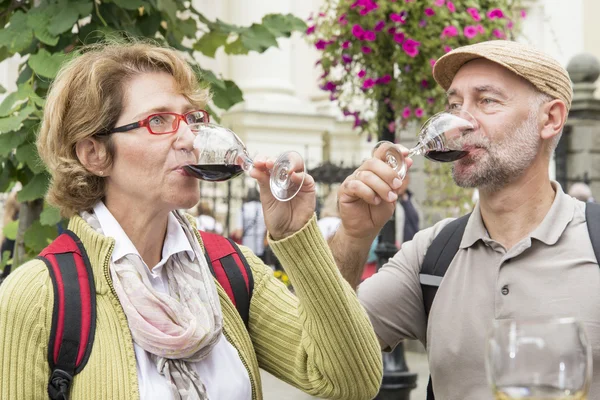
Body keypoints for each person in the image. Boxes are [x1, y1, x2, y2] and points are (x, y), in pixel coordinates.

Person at [0, 41, 383, 400]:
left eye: (193, 119)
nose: (190, 139)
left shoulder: (228, 269)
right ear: (94, 153)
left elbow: (349, 380)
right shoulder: (37, 297)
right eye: (159, 121)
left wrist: (295, 234)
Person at [328, 40, 600, 398]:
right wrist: (354, 235)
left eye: (487, 100)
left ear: (550, 119)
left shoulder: (593, 241)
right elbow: (327, 352)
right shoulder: (431, 253)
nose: (458, 124)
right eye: (454, 105)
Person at [233, 187, 267, 261]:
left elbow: (238, 233)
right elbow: (267, 228)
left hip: (246, 246)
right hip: (260, 246)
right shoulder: (263, 208)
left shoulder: (243, 208)